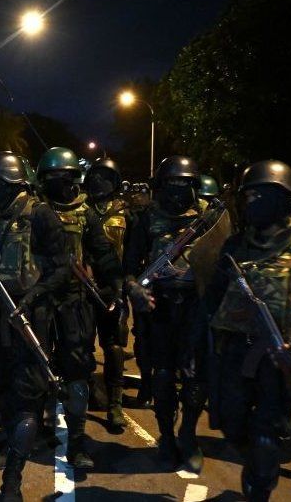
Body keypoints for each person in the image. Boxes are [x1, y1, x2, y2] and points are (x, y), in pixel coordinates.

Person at [201, 160, 291, 501]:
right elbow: (212, 299)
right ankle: (259, 466)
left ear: (283, 200)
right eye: (248, 196)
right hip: (234, 355)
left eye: (259, 195)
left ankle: (259, 484)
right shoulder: (235, 246)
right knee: (230, 425)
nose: (250, 203)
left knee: (266, 439)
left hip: (279, 360)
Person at [0, 151, 68, 501]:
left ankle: (13, 479)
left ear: (4, 184)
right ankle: (10, 445)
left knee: (27, 396)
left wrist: (33, 297)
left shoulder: (40, 216)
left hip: (30, 319)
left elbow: (61, 267)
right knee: (7, 394)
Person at [36, 146, 121, 469]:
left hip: (75, 302)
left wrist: (114, 282)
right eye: (55, 177)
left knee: (77, 374)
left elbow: (102, 252)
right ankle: (34, 431)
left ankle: (77, 442)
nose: (63, 183)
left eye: (68, 177)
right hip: (40, 301)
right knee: (36, 369)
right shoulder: (33, 211)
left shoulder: (84, 213)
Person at [125, 155, 211, 473]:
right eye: (171, 185)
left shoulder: (209, 218)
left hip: (196, 308)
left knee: (195, 380)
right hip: (158, 308)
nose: (177, 192)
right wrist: (135, 289)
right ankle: (166, 435)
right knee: (162, 378)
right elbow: (129, 268)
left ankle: (188, 434)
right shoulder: (145, 218)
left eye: (184, 185)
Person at [83, 156, 131, 432]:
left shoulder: (128, 213)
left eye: (105, 176)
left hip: (113, 286)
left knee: (113, 345)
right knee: (82, 343)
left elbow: (135, 251)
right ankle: (90, 390)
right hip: (85, 286)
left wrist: (126, 284)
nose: (99, 181)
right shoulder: (80, 209)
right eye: (95, 176)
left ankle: (115, 403)